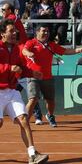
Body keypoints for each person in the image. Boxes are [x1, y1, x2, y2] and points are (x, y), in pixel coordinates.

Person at [0, 19, 49, 163]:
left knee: (24, 119)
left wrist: (32, 73)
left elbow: (21, 67)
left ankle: (32, 154)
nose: (15, 32)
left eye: (15, 30)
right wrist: (8, 68)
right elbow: (11, 67)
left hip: (12, 90)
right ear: (2, 34)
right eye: (11, 31)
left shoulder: (16, 48)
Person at [22, 24, 82, 127]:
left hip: (47, 77)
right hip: (33, 76)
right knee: (33, 99)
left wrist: (78, 50)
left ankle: (50, 115)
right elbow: (24, 50)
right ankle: (24, 121)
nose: (46, 33)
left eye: (47, 31)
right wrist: (28, 53)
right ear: (37, 32)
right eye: (43, 31)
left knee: (50, 100)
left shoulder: (51, 45)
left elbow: (65, 51)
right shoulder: (31, 43)